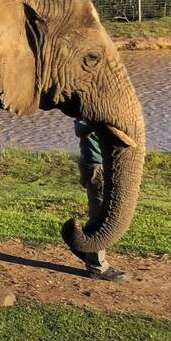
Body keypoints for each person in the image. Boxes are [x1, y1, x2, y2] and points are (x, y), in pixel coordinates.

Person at [71, 119, 128, 281]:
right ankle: (97, 265)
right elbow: (80, 129)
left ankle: (85, 248)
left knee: (102, 214)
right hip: (96, 167)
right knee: (100, 217)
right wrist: (102, 123)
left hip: (102, 166)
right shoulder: (88, 112)